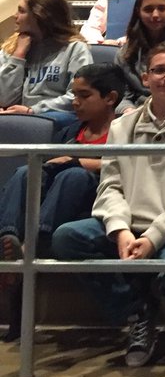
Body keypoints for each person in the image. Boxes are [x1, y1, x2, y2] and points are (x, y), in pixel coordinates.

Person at [53, 42, 165, 368]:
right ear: (146, 78)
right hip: (130, 221)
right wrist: (119, 229)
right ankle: (138, 312)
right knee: (67, 238)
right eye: (160, 70)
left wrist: (153, 237)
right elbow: (110, 186)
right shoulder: (122, 126)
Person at [0, 64, 123, 265]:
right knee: (25, 172)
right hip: (54, 196)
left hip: (96, 198)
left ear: (110, 98)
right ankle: (7, 236)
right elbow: (51, 163)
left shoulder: (124, 130)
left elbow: (128, 165)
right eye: (74, 95)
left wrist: (78, 161)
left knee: (73, 175)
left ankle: (34, 243)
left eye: (84, 96)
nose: (75, 102)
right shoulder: (70, 131)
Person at [0, 0, 91, 124]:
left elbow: (78, 97)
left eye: (22, 11)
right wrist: (18, 57)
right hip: (17, 117)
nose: (15, 15)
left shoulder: (74, 49)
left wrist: (33, 110)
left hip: (56, 118)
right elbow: (4, 99)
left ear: (40, 16)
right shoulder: (12, 48)